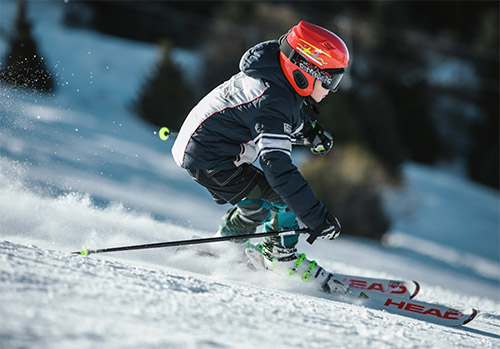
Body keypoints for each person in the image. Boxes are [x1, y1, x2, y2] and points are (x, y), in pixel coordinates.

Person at [172, 21, 349, 294]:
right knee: (283, 199)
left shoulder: (275, 78)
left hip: (208, 151)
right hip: (212, 160)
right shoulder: (271, 101)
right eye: (330, 80)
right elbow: (277, 168)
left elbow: (287, 112)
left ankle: (227, 244)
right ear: (306, 71)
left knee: (258, 204)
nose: (330, 90)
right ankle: (280, 256)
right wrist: (316, 217)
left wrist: (310, 131)